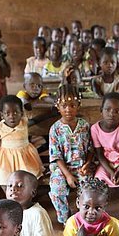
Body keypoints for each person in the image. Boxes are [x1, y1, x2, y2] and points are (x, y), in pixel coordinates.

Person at [0, 95, 43, 187]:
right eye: (7, 113)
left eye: (15, 113)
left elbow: (37, 120)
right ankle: (10, 199)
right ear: (2, 115)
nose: (12, 117)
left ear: (21, 113)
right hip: (5, 160)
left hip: (25, 159)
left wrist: (52, 113)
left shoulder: (24, 123)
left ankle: (24, 199)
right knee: (3, 179)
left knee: (28, 181)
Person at [49, 84, 93, 225]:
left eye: (72, 105)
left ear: (78, 105)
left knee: (88, 190)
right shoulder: (55, 128)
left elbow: (91, 148)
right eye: (64, 105)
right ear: (58, 107)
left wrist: (87, 164)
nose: (68, 109)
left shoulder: (84, 126)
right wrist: (67, 175)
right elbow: (55, 156)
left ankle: (83, 218)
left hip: (81, 166)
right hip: (62, 168)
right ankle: (65, 218)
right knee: (57, 188)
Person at [91, 92, 119, 221]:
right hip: (106, 165)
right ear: (101, 111)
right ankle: (101, 210)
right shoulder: (95, 129)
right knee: (99, 187)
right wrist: (111, 171)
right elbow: (99, 154)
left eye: (117, 111)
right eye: (108, 109)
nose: (111, 113)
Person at [6, 170, 56, 236]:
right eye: (10, 186)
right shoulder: (9, 211)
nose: (13, 189)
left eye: (20, 186)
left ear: (33, 193)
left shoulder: (37, 214)